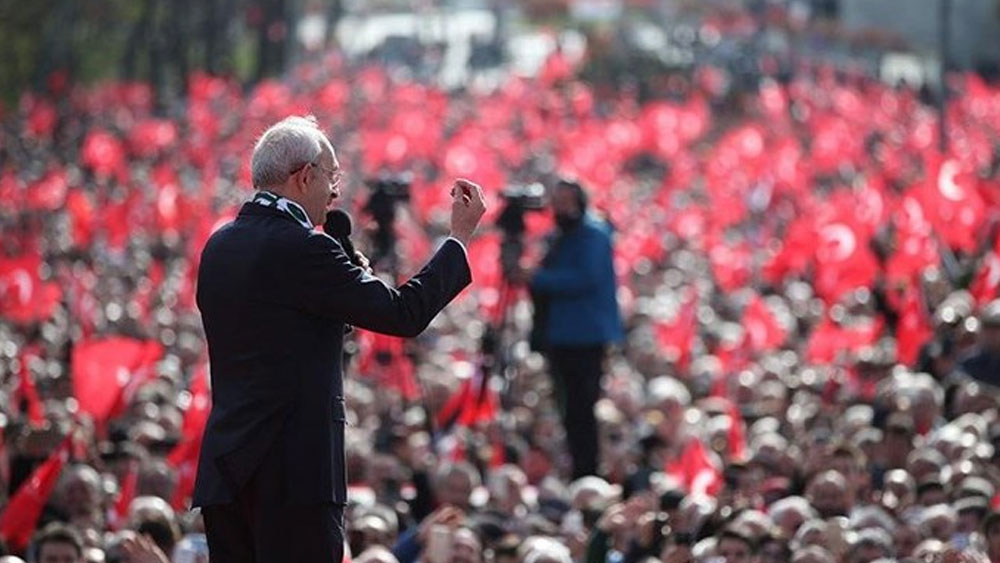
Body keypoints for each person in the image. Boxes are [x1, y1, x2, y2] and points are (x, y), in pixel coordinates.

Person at [193, 115, 486, 563]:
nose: (336, 191)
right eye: (331, 176)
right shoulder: (305, 248)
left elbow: (279, 330)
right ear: (304, 176)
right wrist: (458, 239)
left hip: (226, 469)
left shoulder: (219, 246)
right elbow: (403, 314)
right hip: (294, 476)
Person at [523, 178, 623, 479]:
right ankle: (579, 464)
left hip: (583, 335)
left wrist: (537, 277)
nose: (559, 207)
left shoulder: (592, 234)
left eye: (565, 200)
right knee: (568, 409)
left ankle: (586, 470)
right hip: (562, 335)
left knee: (581, 409)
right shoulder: (560, 235)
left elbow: (585, 278)